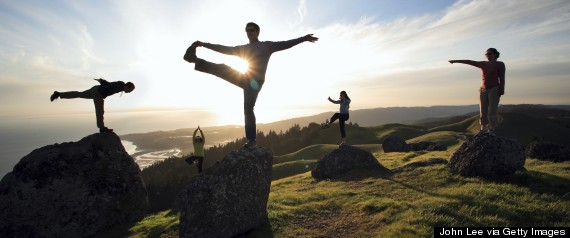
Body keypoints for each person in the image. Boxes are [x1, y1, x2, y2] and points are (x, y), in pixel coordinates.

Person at [183, 22, 318, 148]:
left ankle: (251, 140)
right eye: (247, 31)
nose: (249, 33)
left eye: (252, 30)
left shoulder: (267, 46)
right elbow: (225, 49)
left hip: (255, 83)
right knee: (223, 68)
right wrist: (203, 44)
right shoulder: (244, 48)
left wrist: (303, 38)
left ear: (258, 32)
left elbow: (286, 44)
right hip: (245, 78)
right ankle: (194, 59)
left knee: (248, 108)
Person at [449, 48, 506, 134]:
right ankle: (483, 128)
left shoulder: (500, 64)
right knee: (483, 111)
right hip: (483, 90)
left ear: (495, 54)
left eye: (489, 54)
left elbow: (502, 78)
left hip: (494, 89)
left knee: (492, 110)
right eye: (486, 54)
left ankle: (492, 128)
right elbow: (469, 62)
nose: (487, 55)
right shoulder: (483, 64)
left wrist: (501, 90)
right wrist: (455, 61)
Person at [50, 78, 135, 133]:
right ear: (127, 86)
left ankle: (59, 94)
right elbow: (109, 85)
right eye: (130, 90)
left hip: (95, 89)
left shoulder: (120, 86)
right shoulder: (120, 85)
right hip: (98, 93)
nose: (129, 92)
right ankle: (102, 128)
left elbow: (109, 85)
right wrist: (103, 81)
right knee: (100, 110)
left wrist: (103, 82)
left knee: (79, 94)